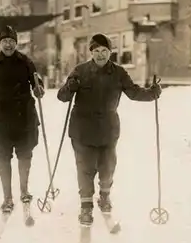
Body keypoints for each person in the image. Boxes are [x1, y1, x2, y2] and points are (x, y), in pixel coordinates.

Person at [57, 33, 162, 226]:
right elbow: (62, 96)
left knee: (108, 168)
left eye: (104, 51)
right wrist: (70, 87)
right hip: (82, 129)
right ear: (91, 52)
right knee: (85, 169)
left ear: (110, 52)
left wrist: (152, 94)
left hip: (108, 128)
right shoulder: (80, 71)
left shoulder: (119, 73)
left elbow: (133, 92)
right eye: (96, 51)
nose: (100, 55)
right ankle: (86, 208)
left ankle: (104, 196)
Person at [0, 25, 45, 214]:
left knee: (25, 155)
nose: (8, 45)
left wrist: (38, 88)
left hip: (24, 117)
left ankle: (24, 191)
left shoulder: (26, 61)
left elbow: (37, 82)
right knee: (2, 158)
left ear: (16, 43)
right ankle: (7, 198)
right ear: (0, 43)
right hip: (2, 119)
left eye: (11, 41)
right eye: (5, 41)